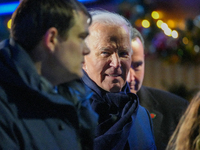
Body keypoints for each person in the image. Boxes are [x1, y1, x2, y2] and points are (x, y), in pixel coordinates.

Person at [0, 0, 98, 149]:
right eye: (81, 38)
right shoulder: (5, 108)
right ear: (52, 39)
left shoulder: (76, 98)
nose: (87, 50)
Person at [81, 10, 156, 150]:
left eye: (123, 54)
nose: (116, 64)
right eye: (105, 53)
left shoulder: (141, 116)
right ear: (83, 59)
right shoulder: (62, 116)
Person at [126, 28, 189, 150]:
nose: (130, 77)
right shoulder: (87, 110)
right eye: (124, 67)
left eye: (137, 65)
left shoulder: (177, 109)